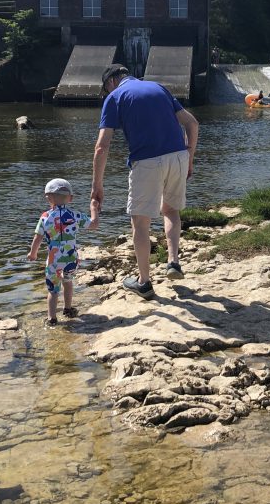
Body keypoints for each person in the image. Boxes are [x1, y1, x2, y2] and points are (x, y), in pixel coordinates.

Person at [91, 64, 199, 299]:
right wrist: (189, 159)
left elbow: (102, 146)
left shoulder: (115, 96)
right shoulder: (159, 88)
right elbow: (192, 124)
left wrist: (97, 186)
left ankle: (144, 283)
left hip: (147, 162)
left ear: (110, 82)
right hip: (178, 156)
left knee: (140, 223)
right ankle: (173, 262)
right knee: (170, 211)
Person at [28, 177, 98, 326]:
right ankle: (68, 309)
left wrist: (33, 253)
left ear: (48, 197)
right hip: (71, 259)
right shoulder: (75, 215)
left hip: (53, 261)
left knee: (53, 290)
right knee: (68, 282)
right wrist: (93, 208)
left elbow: (38, 237)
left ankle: (51, 318)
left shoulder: (45, 217)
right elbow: (93, 224)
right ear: (70, 198)